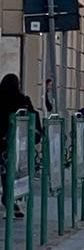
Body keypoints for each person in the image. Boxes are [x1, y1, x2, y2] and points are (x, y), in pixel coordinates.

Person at [0, 74, 42, 218]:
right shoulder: (23, 100)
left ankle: (9, 200)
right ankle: (11, 200)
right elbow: (33, 117)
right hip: (18, 143)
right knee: (14, 173)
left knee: (5, 173)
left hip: (2, 142)